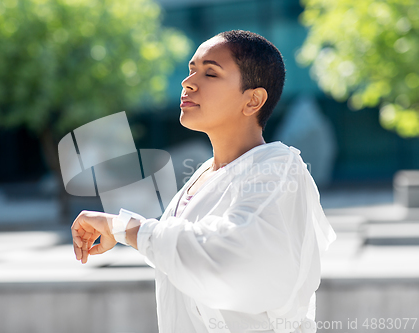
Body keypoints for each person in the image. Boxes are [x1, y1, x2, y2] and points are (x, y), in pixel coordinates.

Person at [71, 30, 337, 333]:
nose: (188, 82)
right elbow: (185, 256)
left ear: (252, 100)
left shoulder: (278, 168)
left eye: (210, 73)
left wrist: (125, 229)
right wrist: (127, 234)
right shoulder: (202, 176)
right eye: (191, 70)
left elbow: (224, 260)